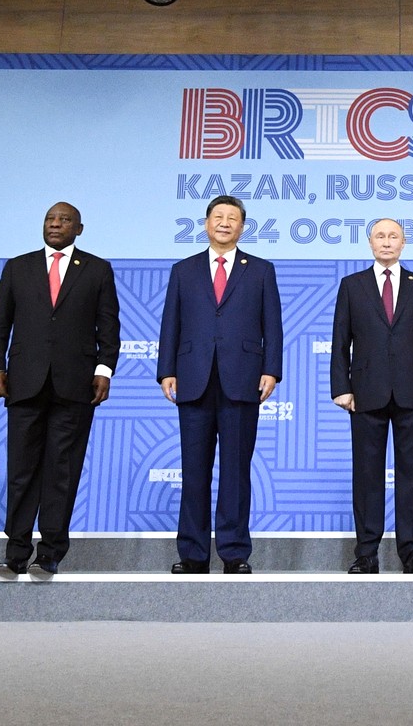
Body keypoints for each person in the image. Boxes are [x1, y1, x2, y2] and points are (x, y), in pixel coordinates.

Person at [0, 202, 120, 580]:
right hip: (24, 383)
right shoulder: (18, 266)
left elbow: (108, 328)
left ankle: (50, 554)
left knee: (62, 471)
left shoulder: (97, 269)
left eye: (64, 220)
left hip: (76, 386)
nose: (56, 224)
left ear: (79, 229)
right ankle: (15, 553)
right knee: (22, 471)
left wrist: (104, 371)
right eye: (50, 219)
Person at [157, 195, 283, 573]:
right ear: (206, 223)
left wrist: (271, 370)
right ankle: (193, 555)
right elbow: (171, 324)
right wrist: (166, 370)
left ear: (243, 227)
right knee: (193, 471)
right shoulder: (184, 269)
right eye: (218, 216)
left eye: (233, 218)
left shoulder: (260, 270)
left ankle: (234, 553)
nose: (225, 223)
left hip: (243, 380)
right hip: (193, 378)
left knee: (235, 471)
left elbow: (272, 326)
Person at [330, 218, 413, 574]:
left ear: (403, 243)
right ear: (370, 243)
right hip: (365, 393)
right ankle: (366, 552)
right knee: (366, 474)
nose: (386, 241)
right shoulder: (352, 285)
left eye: (393, 236)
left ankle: (411, 550)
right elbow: (340, 342)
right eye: (380, 236)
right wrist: (341, 387)